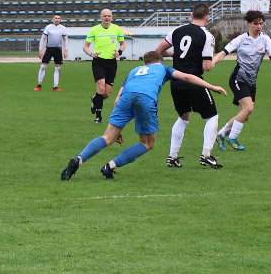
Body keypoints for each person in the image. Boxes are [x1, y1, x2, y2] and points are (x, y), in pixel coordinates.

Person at [60, 50, 226, 181]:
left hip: (126, 98)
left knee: (107, 137)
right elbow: (186, 76)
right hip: (146, 98)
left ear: (145, 63)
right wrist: (211, 86)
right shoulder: (163, 68)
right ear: (159, 61)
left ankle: (79, 159)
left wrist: (119, 129)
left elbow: (119, 97)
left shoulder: (135, 70)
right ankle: (110, 166)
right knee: (147, 143)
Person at [155, 4, 221, 168]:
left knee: (184, 117)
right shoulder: (207, 35)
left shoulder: (177, 31)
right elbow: (207, 66)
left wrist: (176, 54)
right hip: (193, 81)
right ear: (207, 16)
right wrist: (216, 59)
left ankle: (172, 156)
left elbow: (159, 51)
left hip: (176, 81)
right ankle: (206, 155)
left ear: (192, 15)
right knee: (212, 116)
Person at [211, 9, 271, 151]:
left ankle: (220, 134)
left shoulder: (265, 39)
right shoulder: (241, 39)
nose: (259, 26)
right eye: (255, 23)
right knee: (249, 108)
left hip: (251, 81)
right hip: (238, 78)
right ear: (248, 24)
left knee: (244, 115)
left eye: (261, 23)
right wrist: (213, 62)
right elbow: (223, 53)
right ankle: (232, 138)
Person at [83, 8, 126, 123]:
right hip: (99, 61)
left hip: (111, 62)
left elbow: (122, 44)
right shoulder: (94, 30)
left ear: (112, 17)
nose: (107, 18)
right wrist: (91, 53)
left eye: (109, 16)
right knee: (101, 87)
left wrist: (119, 52)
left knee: (106, 93)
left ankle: (95, 99)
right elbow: (85, 46)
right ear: (100, 17)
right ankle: (98, 117)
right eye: (104, 16)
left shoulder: (116, 29)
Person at [35, 14, 68, 91]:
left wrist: (66, 50)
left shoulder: (63, 28)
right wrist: (40, 50)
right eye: (56, 18)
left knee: (57, 68)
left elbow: (65, 40)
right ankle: (39, 84)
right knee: (43, 66)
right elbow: (43, 39)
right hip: (49, 49)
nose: (57, 19)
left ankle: (55, 86)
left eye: (59, 18)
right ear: (53, 19)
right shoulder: (48, 27)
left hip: (58, 50)